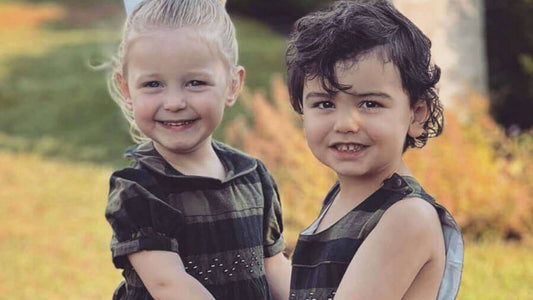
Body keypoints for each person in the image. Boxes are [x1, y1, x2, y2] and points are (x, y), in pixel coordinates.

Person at [104, 0, 291, 299]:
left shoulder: (253, 176)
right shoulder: (139, 190)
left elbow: (275, 269)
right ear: (127, 90)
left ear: (232, 85)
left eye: (195, 82)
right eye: (153, 84)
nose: (175, 102)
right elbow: (169, 285)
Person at [285, 1, 463, 299]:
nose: (345, 124)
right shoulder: (341, 199)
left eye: (370, 103)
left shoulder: (407, 217)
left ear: (417, 114)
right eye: (325, 104)